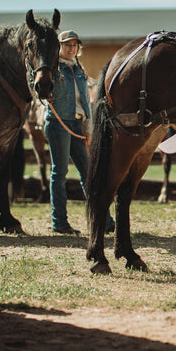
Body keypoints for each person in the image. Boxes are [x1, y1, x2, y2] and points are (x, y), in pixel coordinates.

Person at [45, 30, 113, 234]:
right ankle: (59, 222)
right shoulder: (53, 69)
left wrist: (89, 126)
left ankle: (104, 220)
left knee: (88, 173)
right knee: (60, 173)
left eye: (74, 45)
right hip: (59, 124)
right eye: (67, 45)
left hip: (78, 124)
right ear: (59, 47)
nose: (71, 48)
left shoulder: (79, 70)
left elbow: (86, 100)